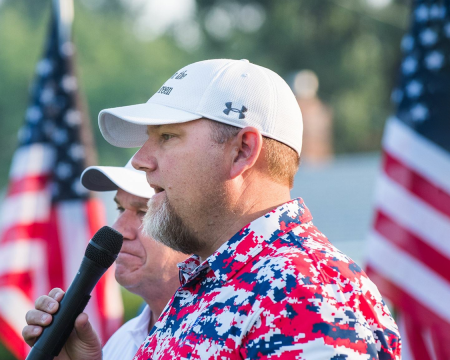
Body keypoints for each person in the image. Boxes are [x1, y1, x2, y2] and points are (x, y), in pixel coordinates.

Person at [50, 58, 400, 359]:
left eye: (167, 136)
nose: (141, 160)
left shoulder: (307, 294)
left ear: (242, 151)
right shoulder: (206, 284)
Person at [22, 157, 189, 359]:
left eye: (145, 212)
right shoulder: (122, 340)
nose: (118, 229)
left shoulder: (223, 329)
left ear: (196, 226)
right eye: (120, 209)